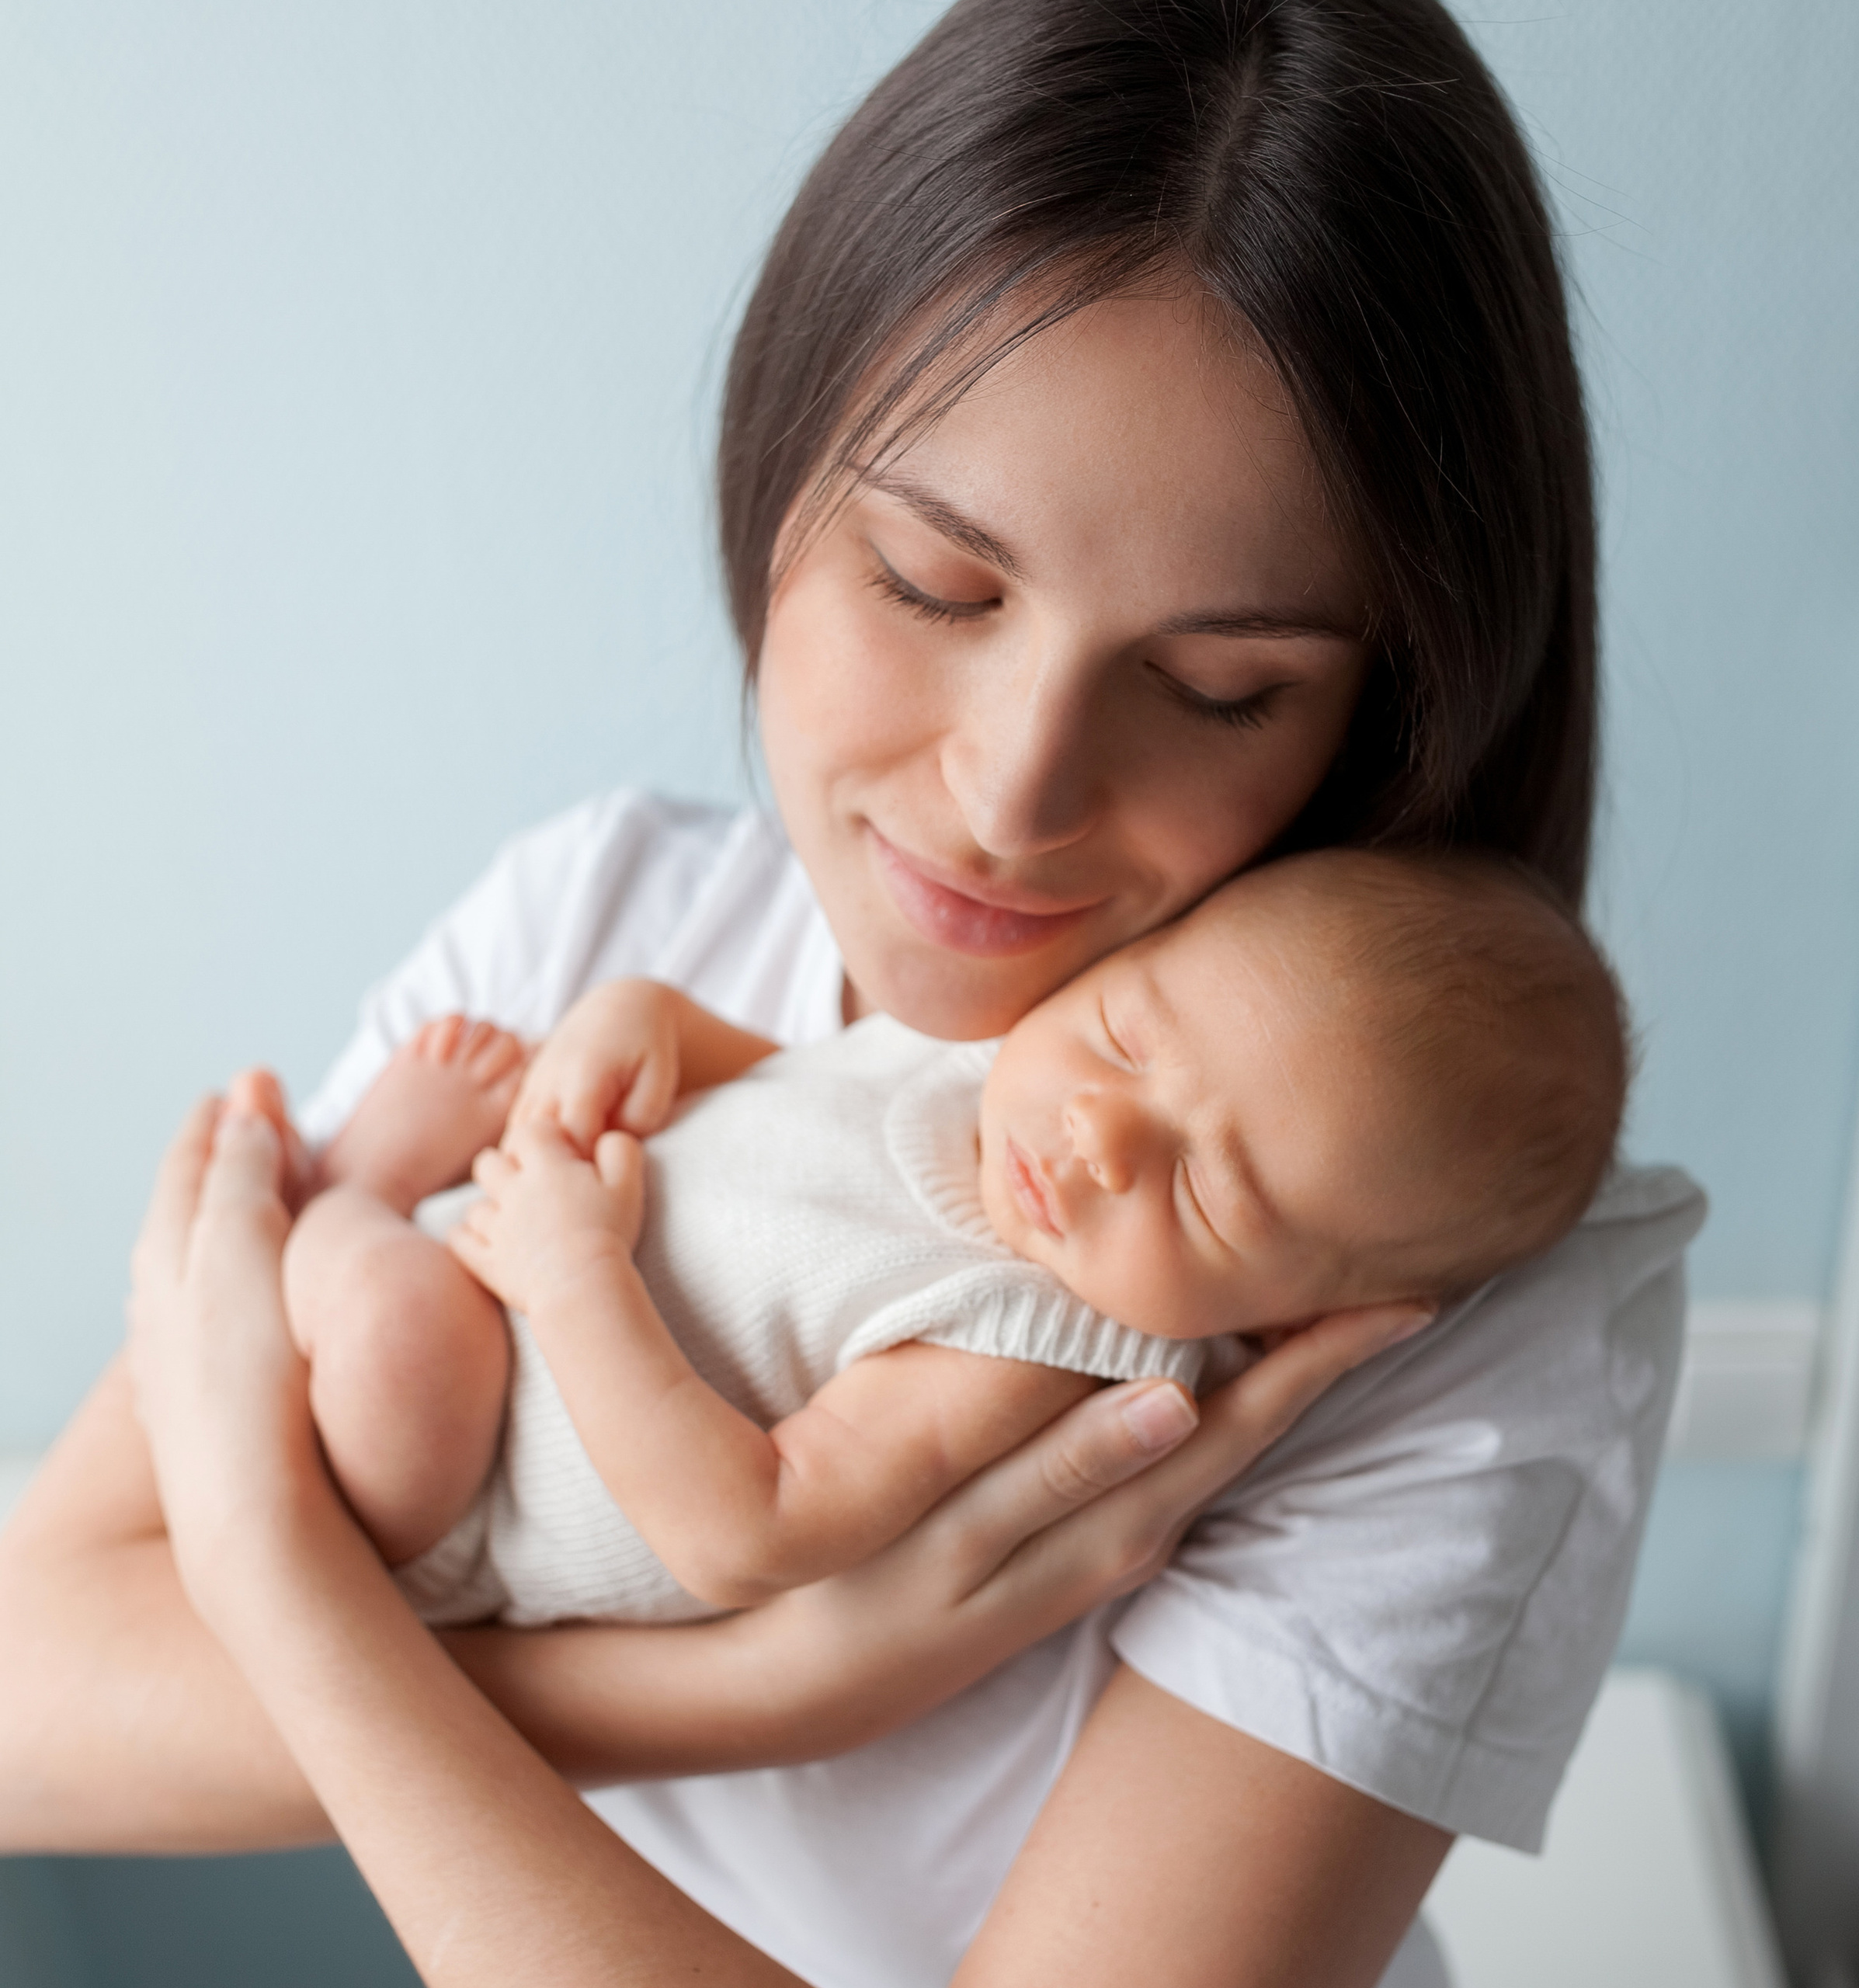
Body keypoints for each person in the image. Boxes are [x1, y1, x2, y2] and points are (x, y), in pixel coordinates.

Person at [0, 4, 1708, 1985]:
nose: (1009, 796)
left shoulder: (1399, 1290)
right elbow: (25, 1691)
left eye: (1217, 686)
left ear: (1380, 711)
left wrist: (277, 1573)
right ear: (781, 452)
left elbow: (171, 1601)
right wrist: (731, 1693)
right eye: (934, 582)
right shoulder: (599, 914)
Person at [276, 850, 1626, 1631]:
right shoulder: (962, 1068)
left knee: (397, 1331)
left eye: (1213, 1195)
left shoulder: (1027, 1344)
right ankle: (358, 1219)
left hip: (461, 1494)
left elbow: (746, 1532)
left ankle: (348, 1196)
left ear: (1284, 1318)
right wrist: (645, 1021)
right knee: (408, 1292)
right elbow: (764, 1083)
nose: (1102, 1135)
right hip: (506, 1246)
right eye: (1127, 1034)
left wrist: (578, 1281)